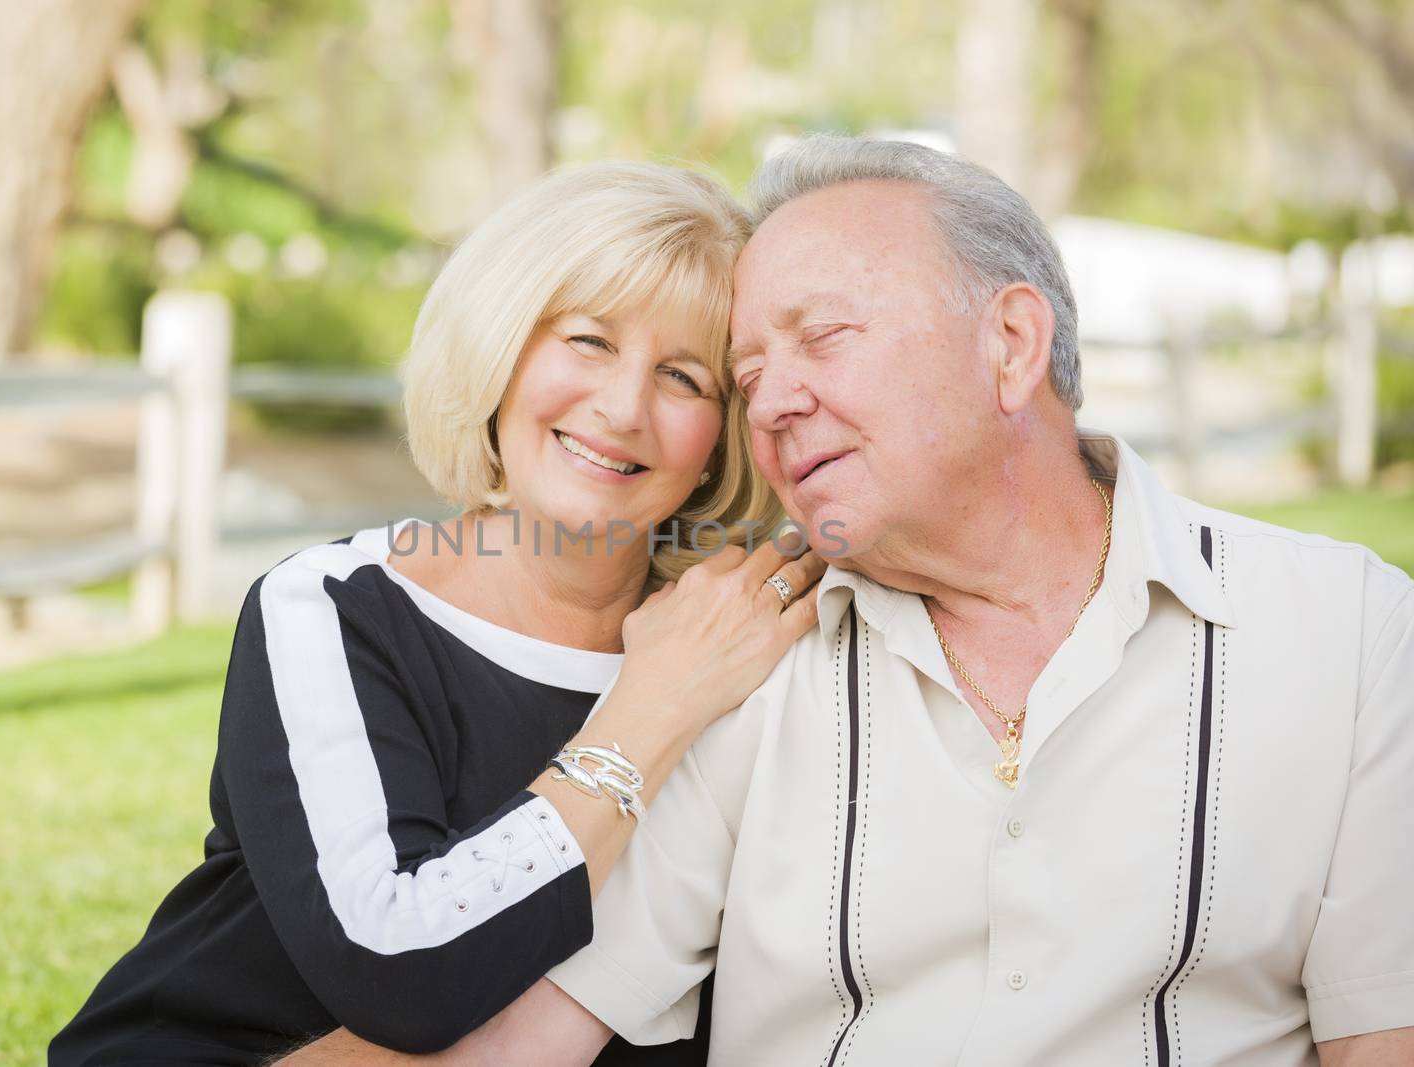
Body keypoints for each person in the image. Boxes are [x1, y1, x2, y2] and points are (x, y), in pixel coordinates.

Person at [291, 135, 1414, 1067]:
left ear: (1011, 344)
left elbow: (1383, 1034)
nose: (770, 401)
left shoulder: (1344, 629)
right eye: (741, 377)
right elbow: (525, 1036)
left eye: (822, 336)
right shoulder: (746, 653)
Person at [47, 160, 826, 1067]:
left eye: (685, 378)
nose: (622, 407)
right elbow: (400, 970)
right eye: (587, 340)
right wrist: (651, 708)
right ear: (499, 350)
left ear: (721, 439)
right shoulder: (333, 605)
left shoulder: (740, 635)